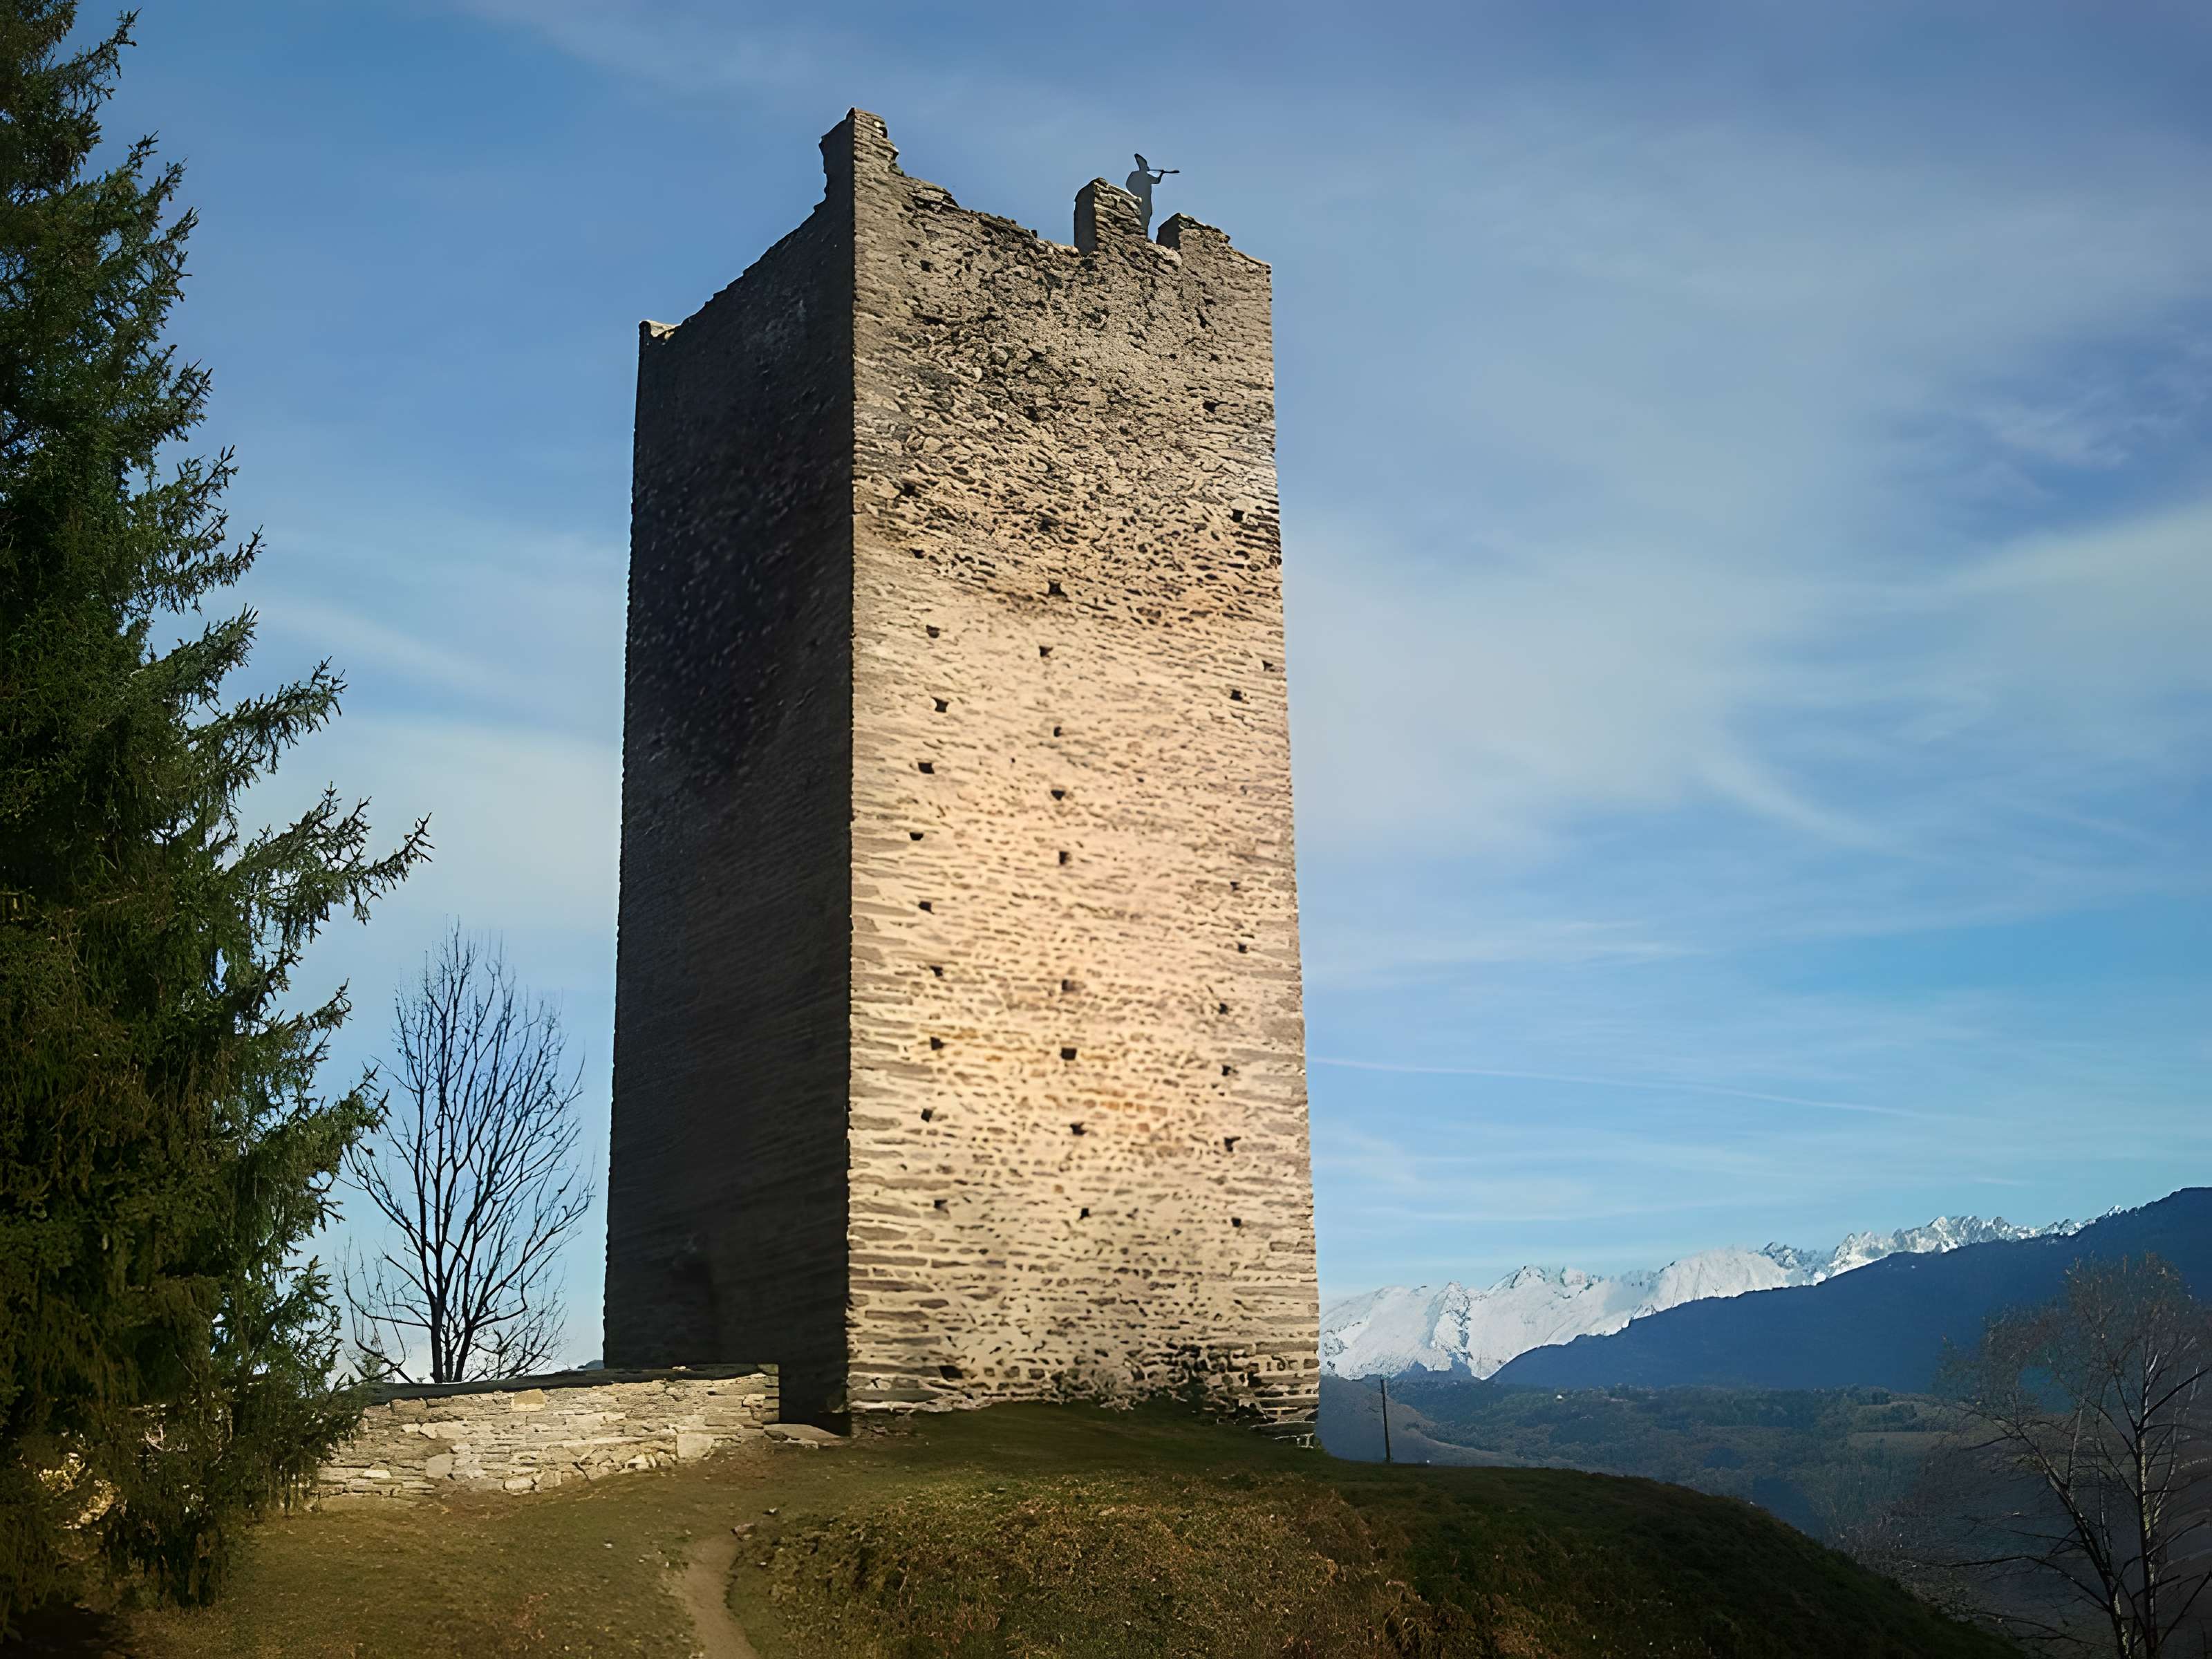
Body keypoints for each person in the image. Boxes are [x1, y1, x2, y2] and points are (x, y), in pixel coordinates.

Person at [1124, 153, 1178, 232]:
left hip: (1147, 198)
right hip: (1139, 197)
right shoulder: (1135, 174)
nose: (1148, 167)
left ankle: (1144, 231)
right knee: (1141, 212)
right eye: (1146, 166)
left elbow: (1157, 181)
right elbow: (1128, 184)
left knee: (1148, 213)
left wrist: (1162, 174)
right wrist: (1135, 194)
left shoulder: (1148, 176)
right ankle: (1139, 230)